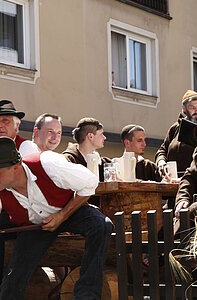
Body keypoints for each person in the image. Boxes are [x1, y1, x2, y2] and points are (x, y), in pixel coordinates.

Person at [0, 136, 113, 299]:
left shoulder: (47, 164)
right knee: (14, 277)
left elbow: (90, 183)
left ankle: (87, 295)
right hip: (37, 226)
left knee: (101, 225)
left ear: (16, 166)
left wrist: (62, 215)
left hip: (70, 210)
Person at [155, 90, 197, 175]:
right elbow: (163, 150)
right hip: (173, 177)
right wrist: (161, 162)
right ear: (184, 108)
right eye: (192, 107)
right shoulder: (175, 127)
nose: (196, 111)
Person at [62, 117, 110, 181]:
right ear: (90, 136)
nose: (104, 137)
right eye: (101, 134)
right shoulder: (68, 161)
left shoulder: (105, 163)